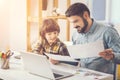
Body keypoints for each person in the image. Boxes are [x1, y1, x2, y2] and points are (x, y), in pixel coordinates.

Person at [65, 2, 120, 74]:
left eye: (76, 21)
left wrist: (112, 56)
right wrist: (59, 61)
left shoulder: (107, 32)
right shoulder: (75, 35)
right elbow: (76, 60)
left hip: (104, 78)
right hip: (83, 76)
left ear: (86, 15)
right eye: (72, 23)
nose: (74, 26)